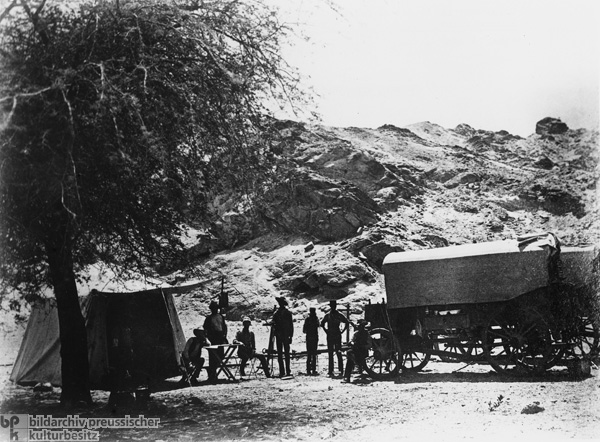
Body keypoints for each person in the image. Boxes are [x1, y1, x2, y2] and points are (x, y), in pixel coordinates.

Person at [320, 299, 349, 376]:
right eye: (332, 306)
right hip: (330, 335)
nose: (333, 307)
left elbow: (347, 322)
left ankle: (340, 371)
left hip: (336, 335)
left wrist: (342, 331)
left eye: (334, 306)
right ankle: (330, 371)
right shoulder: (328, 315)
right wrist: (326, 331)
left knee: (338, 352)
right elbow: (322, 324)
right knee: (330, 353)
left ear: (335, 306)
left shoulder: (339, 314)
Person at [203, 300, 228, 382]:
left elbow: (224, 327)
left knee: (221, 356)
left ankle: (213, 372)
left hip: (220, 337)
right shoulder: (208, 318)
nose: (215, 309)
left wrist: (224, 336)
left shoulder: (221, 317)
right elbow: (205, 328)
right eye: (213, 308)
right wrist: (208, 337)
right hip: (213, 338)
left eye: (216, 308)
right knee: (213, 356)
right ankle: (212, 374)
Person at [271, 296, 294, 377]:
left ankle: (288, 370)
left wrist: (291, 336)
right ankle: (282, 371)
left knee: (287, 354)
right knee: (279, 354)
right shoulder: (276, 314)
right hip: (279, 335)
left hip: (286, 335)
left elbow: (291, 325)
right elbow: (273, 323)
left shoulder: (288, 313)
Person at [303, 307, 320, 375]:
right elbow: (318, 325)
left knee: (309, 354)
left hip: (309, 337)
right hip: (314, 337)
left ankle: (308, 369)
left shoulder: (307, 319)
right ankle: (313, 369)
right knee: (314, 353)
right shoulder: (316, 319)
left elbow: (304, 330)